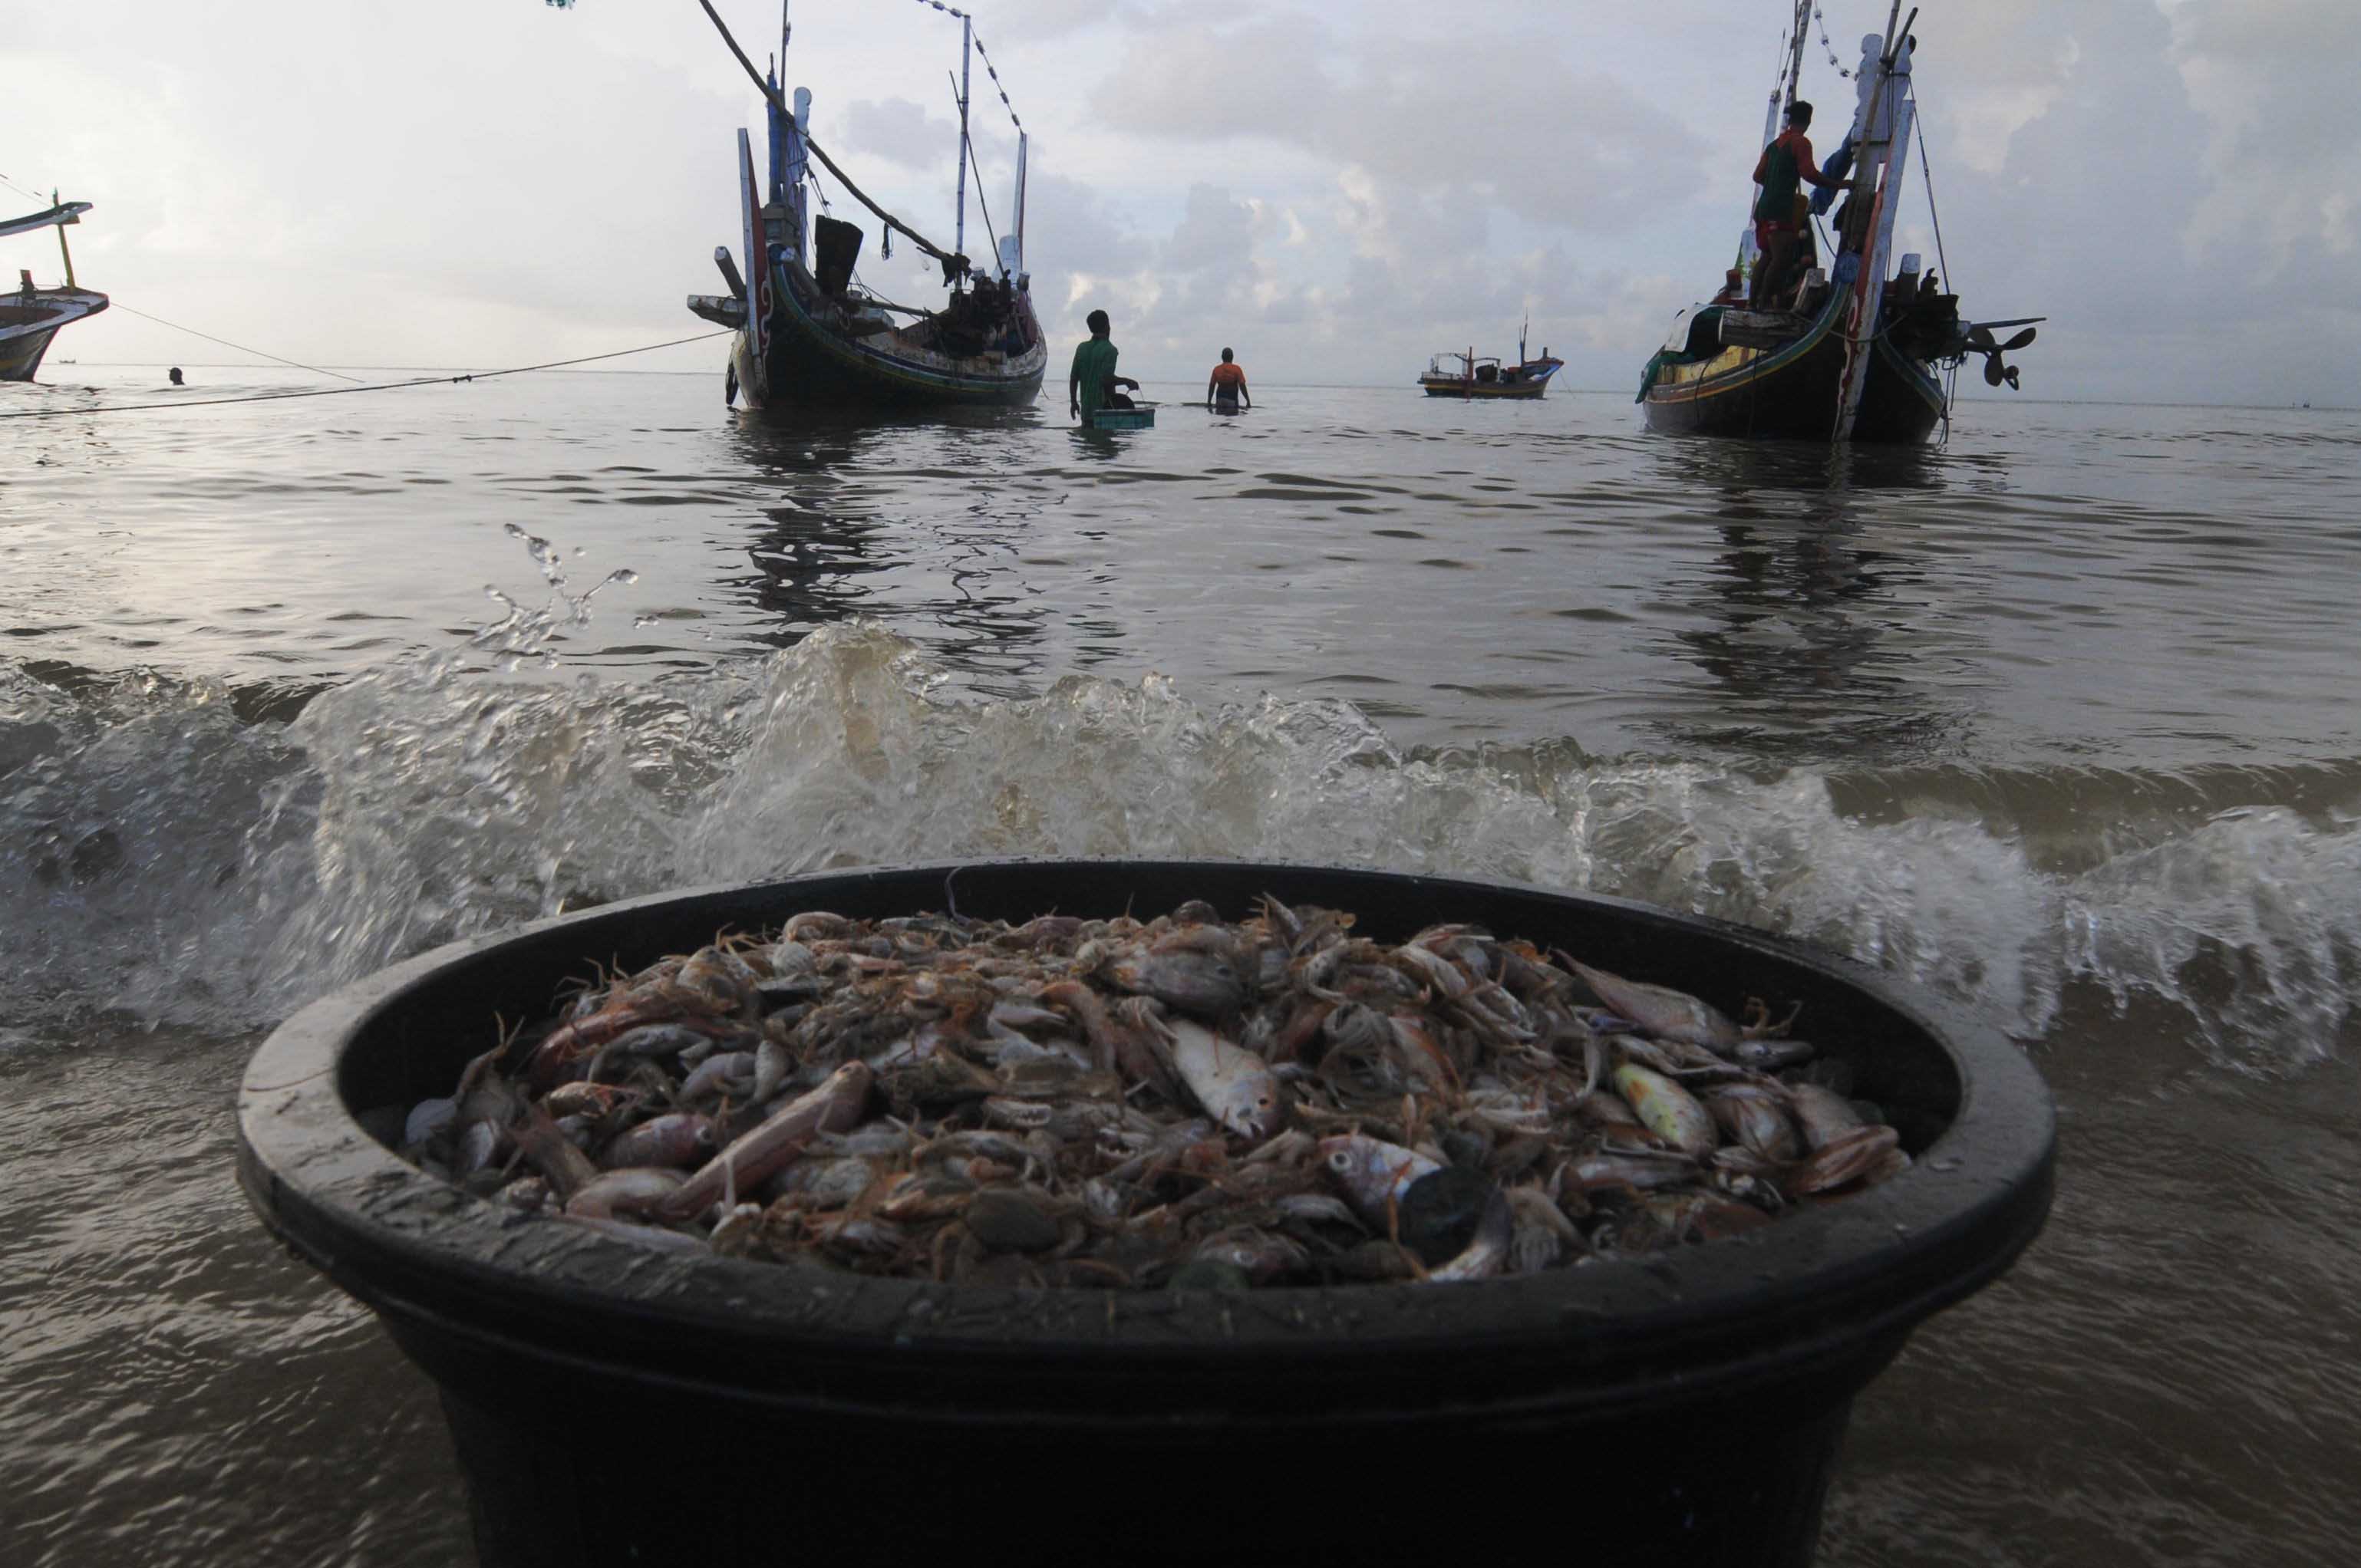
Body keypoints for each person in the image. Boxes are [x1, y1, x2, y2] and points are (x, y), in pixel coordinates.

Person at [1750, 100, 1848, 309]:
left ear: (1790, 119)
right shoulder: (1801, 143)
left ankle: (1752, 303)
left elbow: (1758, 175)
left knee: (1767, 255)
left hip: (1763, 209)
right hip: (1780, 209)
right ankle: (1764, 304)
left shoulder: (1774, 146)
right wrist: (1838, 184)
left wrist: (1776, 182)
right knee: (1781, 258)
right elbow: (1809, 173)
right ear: (1808, 120)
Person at [1813, 34, 1911, 217]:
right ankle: (1820, 202)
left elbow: (1868, 94)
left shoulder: (1885, 70)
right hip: (1872, 122)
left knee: (1840, 159)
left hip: (1872, 125)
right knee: (1838, 160)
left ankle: (1819, 202)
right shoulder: (1886, 70)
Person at [1067, 308, 1139, 423]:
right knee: (1105, 439)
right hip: (1104, 412)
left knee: (1088, 438)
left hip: (1086, 413)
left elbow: (1074, 378)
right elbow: (1106, 379)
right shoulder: (1110, 350)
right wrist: (1127, 381)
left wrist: (1074, 402)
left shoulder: (1081, 348)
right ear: (1107, 327)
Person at [1205, 348, 1250, 413]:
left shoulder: (1216, 369)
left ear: (1222, 357)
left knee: (1220, 420)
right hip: (1232, 400)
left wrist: (1209, 402)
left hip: (1219, 400)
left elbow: (1212, 386)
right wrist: (1248, 401)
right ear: (1232, 357)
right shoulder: (1237, 369)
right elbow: (1242, 386)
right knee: (1231, 420)